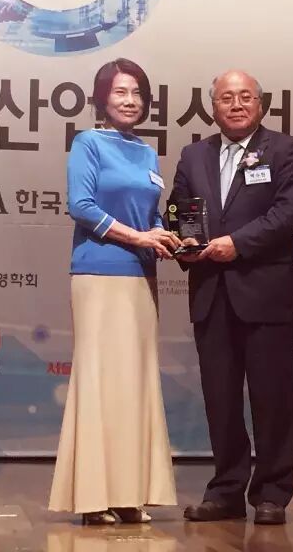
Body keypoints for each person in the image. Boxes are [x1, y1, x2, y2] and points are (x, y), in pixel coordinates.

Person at [169, 70, 293, 525]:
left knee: (273, 398)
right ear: (213, 106)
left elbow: (291, 211)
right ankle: (226, 490)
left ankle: (272, 492)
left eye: (245, 96)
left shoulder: (286, 149)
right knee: (221, 400)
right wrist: (183, 242)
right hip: (211, 292)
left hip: (264, 293)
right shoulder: (194, 155)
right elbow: (179, 210)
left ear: (261, 104)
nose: (236, 104)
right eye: (226, 97)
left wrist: (238, 243)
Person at [49, 58, 180, 525]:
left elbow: (150, 211)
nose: (130, 100)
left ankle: (128, 494)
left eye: (137, 93)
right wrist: (138, 237)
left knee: (134, 385)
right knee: (101, 381)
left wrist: (161, 232)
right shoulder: (88, 142)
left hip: (142, 276)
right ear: (102, 98)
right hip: (99, 273)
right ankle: (92, 498)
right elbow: (81, 206)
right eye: (121, 92)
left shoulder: (146, 152)